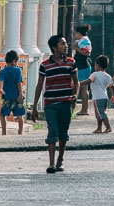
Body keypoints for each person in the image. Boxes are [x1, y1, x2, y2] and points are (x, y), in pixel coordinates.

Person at [31, 34, 78, 173]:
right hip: (50, 104)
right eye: (62, 44)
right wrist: (34, 107)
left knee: (63, 133)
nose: (66, 46)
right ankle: (51, 163)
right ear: (54, 47)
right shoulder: (45, 65)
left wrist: (75, 94)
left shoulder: (71, 62)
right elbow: (39, 86)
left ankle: (60, 160)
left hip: (65, 103)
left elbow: (76, 81)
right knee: (52, 131)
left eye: (65, 43)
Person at [82, 54, 114, 134]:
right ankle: (99, 128)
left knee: (100, 114)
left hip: (97, 98)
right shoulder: (107, 76)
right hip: (105, 97)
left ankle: (108, 127)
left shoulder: (94, 74)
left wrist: (79, 83)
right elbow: (112, 86)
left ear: (97, 65)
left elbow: (89, 81)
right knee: (99, 113)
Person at [0, 50, 26, 136]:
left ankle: (4, 132)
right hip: (17, 98)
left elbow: (1, 81)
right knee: (20, 115)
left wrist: (1, 89)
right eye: (17, 61)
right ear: (14, 61)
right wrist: (21, 94)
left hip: (7, 99)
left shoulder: (2, 72)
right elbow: (19, 83)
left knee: (3, 115)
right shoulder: (17, 70)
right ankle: (20, 132)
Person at [74, 24, 93, 116]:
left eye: (76, 33)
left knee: (84, 88)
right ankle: (83, 109)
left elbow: (87, 52)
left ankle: (85, 110)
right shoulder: (81, 40)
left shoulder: (85, 40)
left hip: (84, 66)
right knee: (82, 88)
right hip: (80, 66)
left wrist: (77, 48)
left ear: (78, 32)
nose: (75, 35)